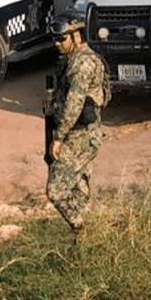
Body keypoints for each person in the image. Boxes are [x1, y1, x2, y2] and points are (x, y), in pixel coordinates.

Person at [44, 15, 110, 233]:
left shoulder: (83, 64)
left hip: (80, 136)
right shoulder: (72, 59)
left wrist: (58, 138)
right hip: (80, 134)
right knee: (77, 185)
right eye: (55, 39)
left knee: (55, 190)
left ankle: (80, 227)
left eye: (61, 39)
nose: (57, 44)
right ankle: (83, 233)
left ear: (76, 36)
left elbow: (74, 104)